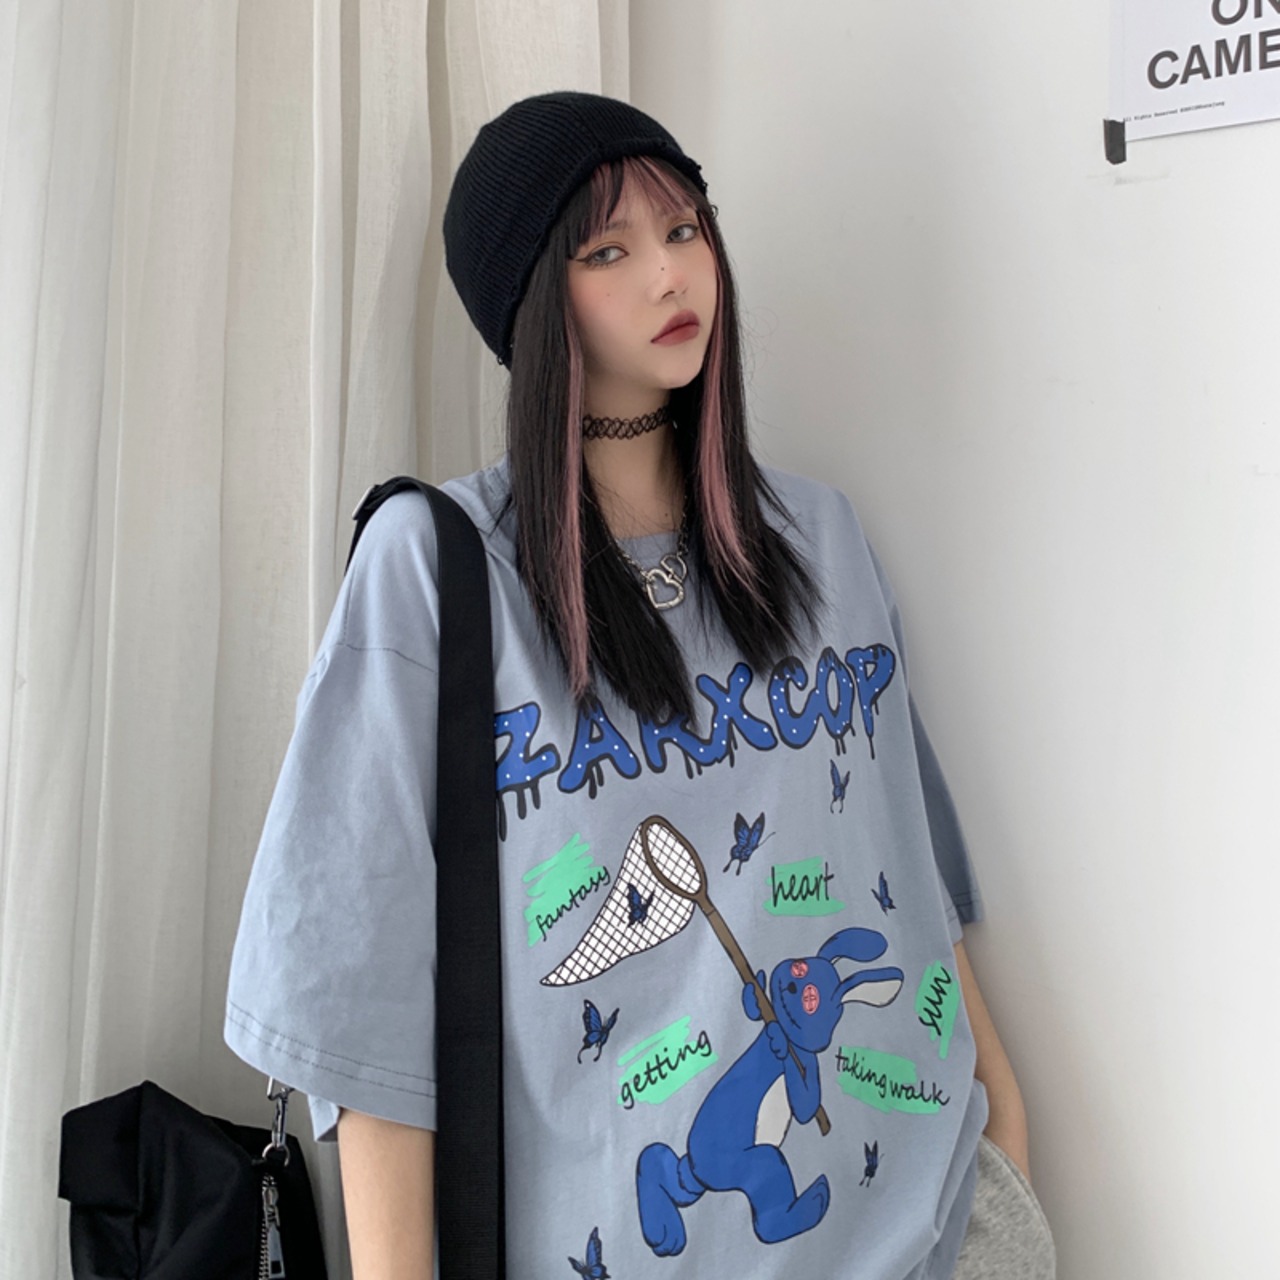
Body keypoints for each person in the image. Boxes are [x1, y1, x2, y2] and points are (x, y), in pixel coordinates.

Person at [225, 90, 1055, 1279]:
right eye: (606, 251)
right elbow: (364, 1009)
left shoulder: (820, 542)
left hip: (934, 1237)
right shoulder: (439, 571)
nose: (670, 275)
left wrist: (1002, 1149)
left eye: (682, 229)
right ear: (532, 302)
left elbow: (909, 872)